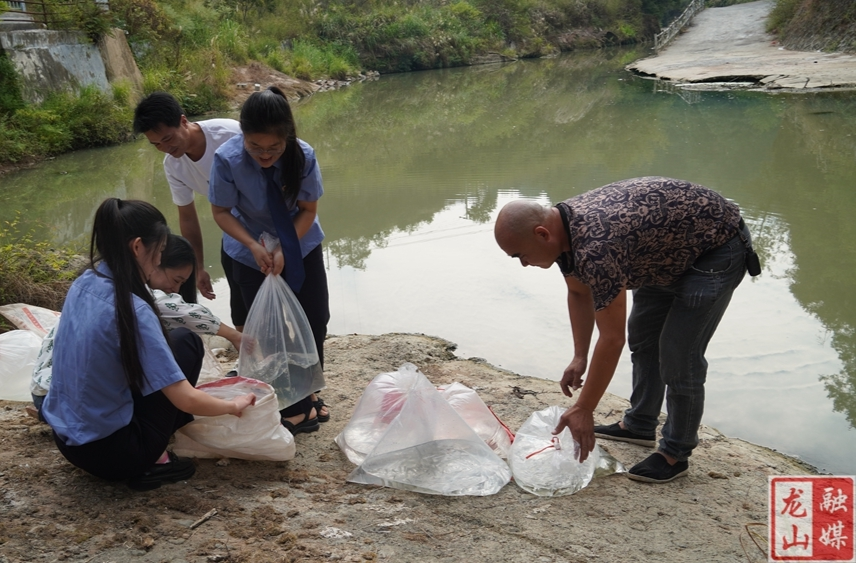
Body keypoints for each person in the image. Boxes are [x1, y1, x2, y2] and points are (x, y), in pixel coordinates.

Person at [494, 177, 757, 483]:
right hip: (662, 251)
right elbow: (580, 292)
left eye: (520, 255)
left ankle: (675, 452)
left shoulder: (597, 247)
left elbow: (611, 338)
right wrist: (580, 357)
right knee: (644, 339)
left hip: (716, 248)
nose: (523, 264)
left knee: (678, 353)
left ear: (542, 234)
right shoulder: (563, 231)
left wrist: (583, 408)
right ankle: (640, 424)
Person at [41, 199, 256, 491]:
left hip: (67, 441)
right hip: (116, 455)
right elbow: (186, 399)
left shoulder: (85, 282)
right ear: (138, 247)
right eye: (160, 252)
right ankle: (157, 459)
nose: (159, 261)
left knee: (180, 340)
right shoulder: (133, 309)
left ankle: (148, 437)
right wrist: (234, 405)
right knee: (188, 344)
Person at [209, 86, 330, 434]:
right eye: (255, 147)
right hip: (248, 250)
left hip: (300, 242)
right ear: (243, 136)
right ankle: (279, 399)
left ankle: (308, 397)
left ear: (287, 137)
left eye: (274, 148)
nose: (265, 155)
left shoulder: (303, 155)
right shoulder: (228, 158)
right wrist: (253, 245)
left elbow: (308, 210)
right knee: (263, 331)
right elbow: (220, 211)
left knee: (314, 318)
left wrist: (283, 248)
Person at [29, 235, 243, 419]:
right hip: (71, 403)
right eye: (176, 279)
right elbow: (185, 312)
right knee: (186, 341)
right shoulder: (138, 300)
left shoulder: (90, 282)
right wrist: (235, 335)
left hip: (49, 395)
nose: (175, 290)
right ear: (152, 259)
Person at [133, 92, 248, 331]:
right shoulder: (173, 166)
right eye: (156, 145)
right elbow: (187, 216)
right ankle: (246, 353)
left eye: (168, 138)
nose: (165, 148)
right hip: (232, 227)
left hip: (262, 217)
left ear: (183, 121)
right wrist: (198, 267)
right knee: (240, 297)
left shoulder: (229, 134)